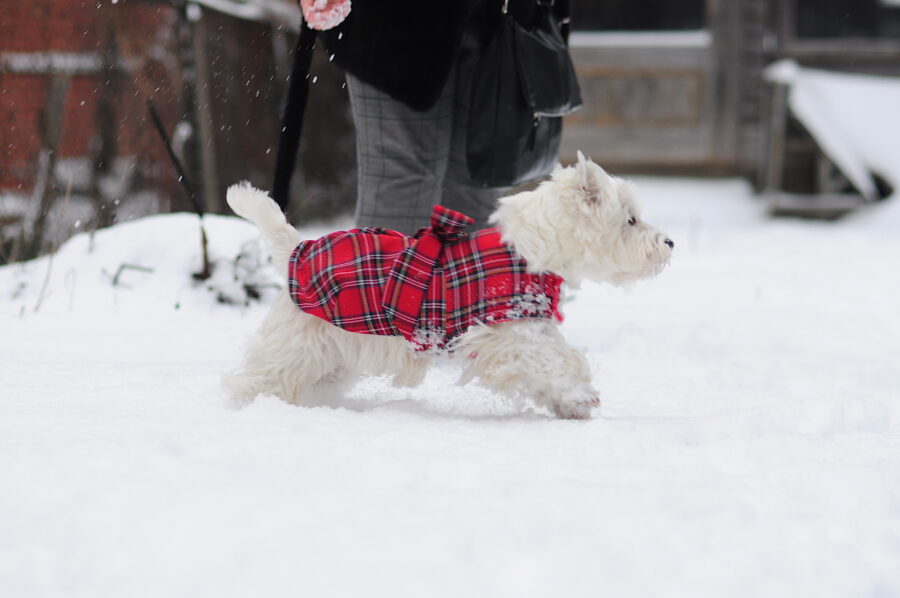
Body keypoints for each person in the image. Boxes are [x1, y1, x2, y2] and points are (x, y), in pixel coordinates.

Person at [296, 0, 572, 234]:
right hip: (406, 25)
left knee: (453, 183)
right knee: (418, 185)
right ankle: (409, 293)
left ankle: (432, 294)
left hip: (491, 23)